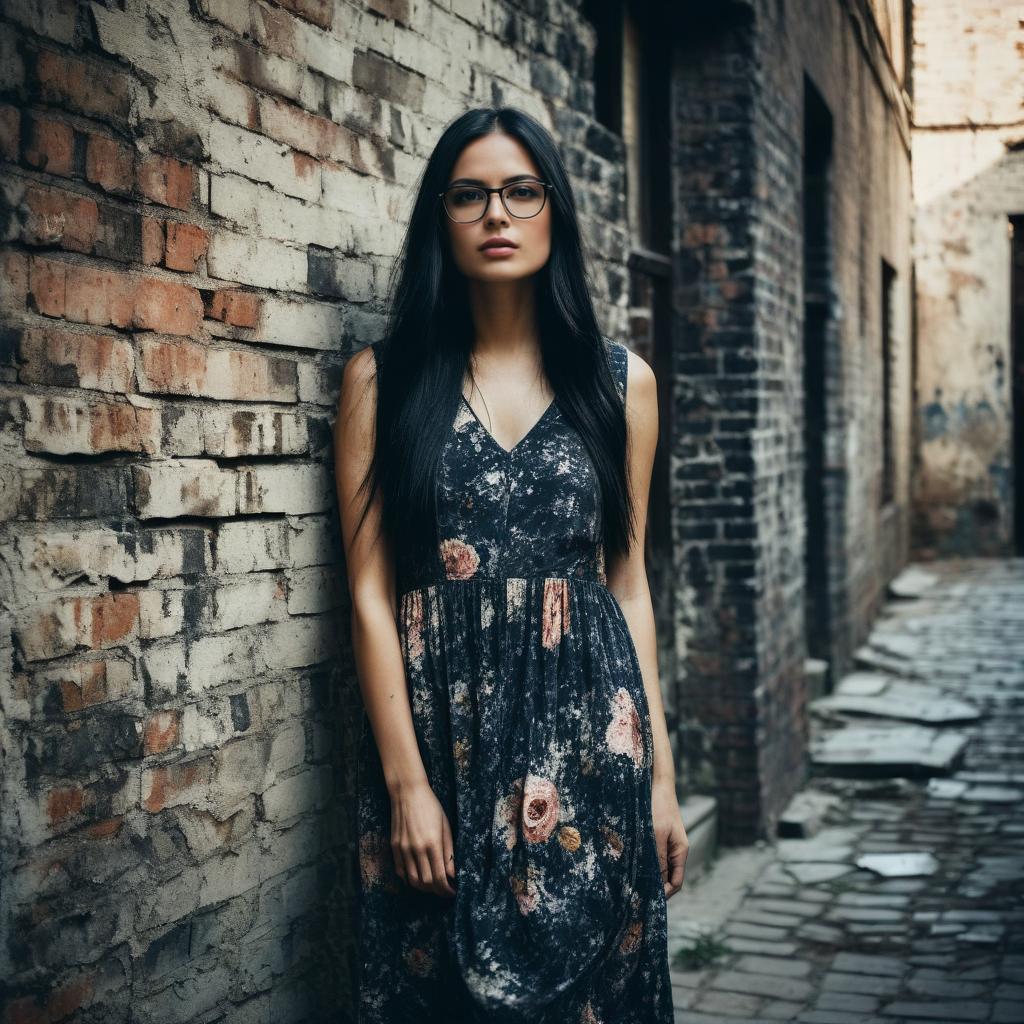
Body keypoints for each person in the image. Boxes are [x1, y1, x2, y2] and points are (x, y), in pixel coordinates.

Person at [334, 106, 688, 1024]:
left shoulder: (621, 383)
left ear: (554, 211)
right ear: (440, 219)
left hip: (588, 745)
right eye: (470, 195)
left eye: (520, 191)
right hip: (440, 743)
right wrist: (407, 786)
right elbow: (370, 597)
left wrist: (660, 776)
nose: (497, 213)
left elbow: (627, 585)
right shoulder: (384, 382)